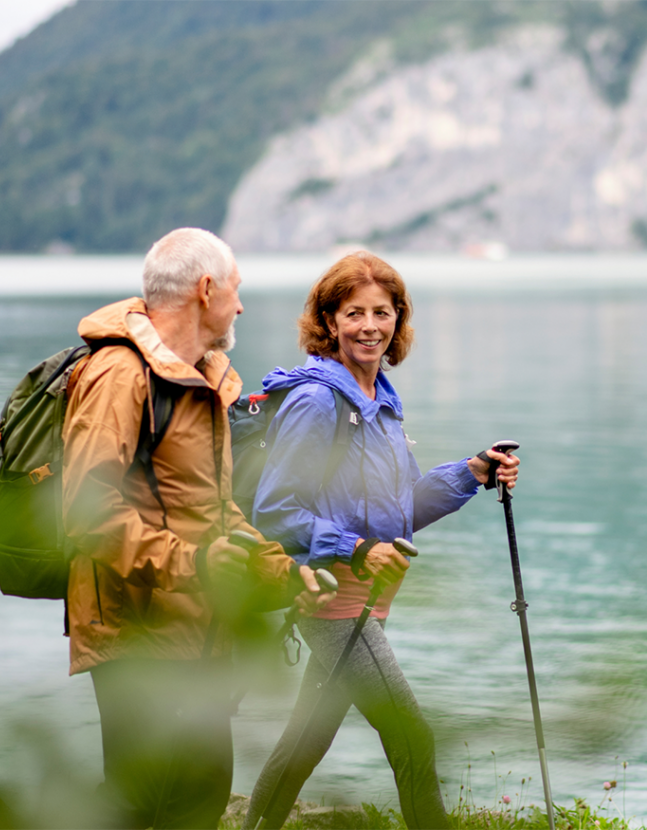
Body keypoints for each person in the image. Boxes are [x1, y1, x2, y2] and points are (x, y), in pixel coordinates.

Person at [61, 227, 333, 830]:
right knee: (143, 802)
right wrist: (193, 565)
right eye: (235, 290)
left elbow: (217, 513)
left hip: (196, 629)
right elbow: (86, 512)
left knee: (202, 794)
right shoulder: (118, 376)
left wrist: (281, 570)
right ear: (205, 289)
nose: (240, 306)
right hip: (134, 632)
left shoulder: (200, 381)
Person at [240, 251, 519, 830]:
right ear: (329, 321)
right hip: (334, 599)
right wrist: (357, 550)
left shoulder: (382, 405)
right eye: (354, 313)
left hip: (370, 599)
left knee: (305, 741)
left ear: (399, 320)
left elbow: (399, 511)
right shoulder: (318, 402)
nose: (371, 326)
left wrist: (471, 472)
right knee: (410, 736)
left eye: (383, 313)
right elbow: (275, 510)